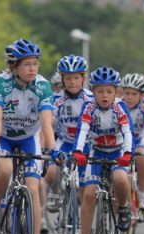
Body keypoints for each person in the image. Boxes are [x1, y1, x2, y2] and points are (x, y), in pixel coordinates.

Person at [0, 38, 56, 234]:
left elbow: (46, 123)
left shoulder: (43, 86)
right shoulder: (0, 85)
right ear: (13, 67)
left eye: (35, 63)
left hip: (28, 138)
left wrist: (52, 149)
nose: (33, 69)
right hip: (3, 137)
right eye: (27, 64)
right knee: (4, 170)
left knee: (33, 190)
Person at [72, 66, 133, 234]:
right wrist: (78, 151)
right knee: (89, 193)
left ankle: (124, 208)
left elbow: (128, 132)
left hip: (117, 152)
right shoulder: (89, 108)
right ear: (93, 92)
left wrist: (127, 154)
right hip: (96, 152)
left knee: (121, 179)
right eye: (99, 91)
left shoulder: (120, 108)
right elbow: (82, 130)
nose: (104, 96)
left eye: (109, 91)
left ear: (116, 92)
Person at [44, 54, 92, 212]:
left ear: (83, 78)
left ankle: (83, 221)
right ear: (62, 79)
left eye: (76, 78)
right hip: (65, 142)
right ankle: (57, 193)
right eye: (68, 78)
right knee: (51, 173)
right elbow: (48, 122)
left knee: (85, 190)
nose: (72, 82)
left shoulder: (91, 99)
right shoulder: (56, 99)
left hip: (87, 144)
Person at [121, 73, 144, 207]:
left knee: (143, 157)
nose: (129, 97)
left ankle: (142, 194)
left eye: (134, 94)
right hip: (122, 139)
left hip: (140, 138)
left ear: (141, 95)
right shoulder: (118, 105)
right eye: (127, 93)